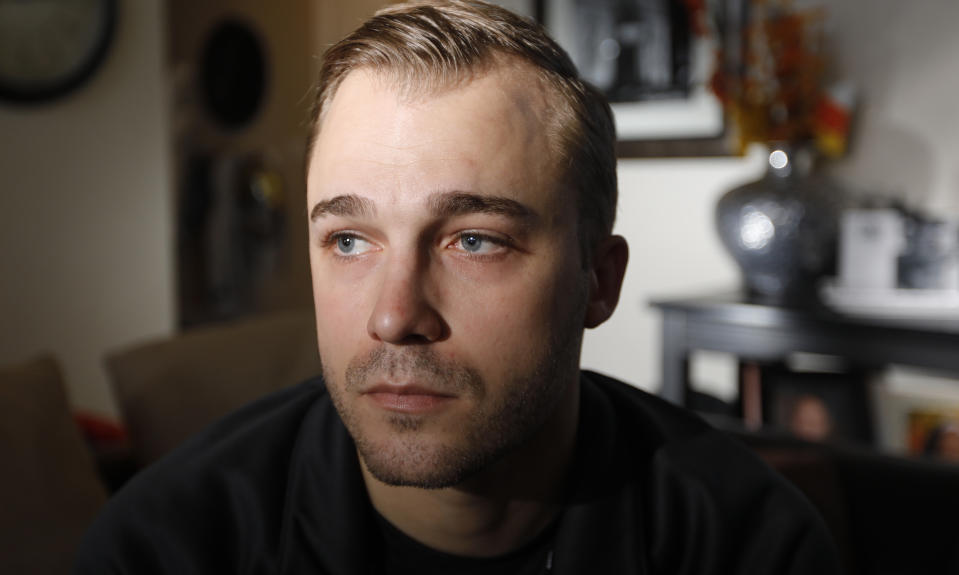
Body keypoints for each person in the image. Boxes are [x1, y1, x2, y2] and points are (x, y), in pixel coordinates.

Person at [76, 1, 841, 573]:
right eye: (349, 240)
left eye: (473, 239)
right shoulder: (168, 546)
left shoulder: (749, 545)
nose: (393, 315)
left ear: (596, 282)